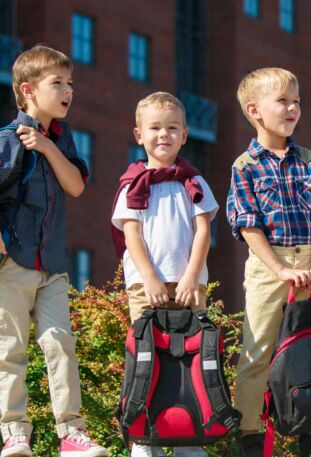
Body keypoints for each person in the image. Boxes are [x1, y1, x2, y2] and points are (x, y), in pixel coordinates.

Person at [0, 45, 109, 457]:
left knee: (60, 342)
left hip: (53, 264)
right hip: (13, 263)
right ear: (28, 90)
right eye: (57, 83)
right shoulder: (8, 141)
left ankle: (71, 435)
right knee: (9, 350)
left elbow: (76, 186)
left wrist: (46, 148)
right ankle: (14, 434)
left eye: (71, 84)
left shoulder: (63, 140)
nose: (68, 91)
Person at [226, 68, 311, 457]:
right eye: (283, 101)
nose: (293, 108)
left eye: (297, 101)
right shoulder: (244, 167)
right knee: (256, 351)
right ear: (254, 110)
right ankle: (250, 433)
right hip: (268, 266)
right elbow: (248, 227)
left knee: (308, 348)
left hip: (309, 264)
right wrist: (280, 269)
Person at [111, 92, 218, 457]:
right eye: (155, 128)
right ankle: (144, 440)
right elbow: (132, 235)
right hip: (146, 287)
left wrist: (190, 277)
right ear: (139, 134)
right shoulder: (132, 185)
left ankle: (189, 438)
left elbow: (203, 232)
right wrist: (151, 279)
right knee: (147, 359)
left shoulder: (194, 183)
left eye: (172, 128)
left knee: (190, 361)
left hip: (190, 286)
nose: (164, 135)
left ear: (185, 134)